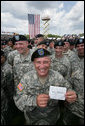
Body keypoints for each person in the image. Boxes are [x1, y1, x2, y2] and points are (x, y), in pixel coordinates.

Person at [14, 48, 77, 125]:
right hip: (32, 120)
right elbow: (18, 99)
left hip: (52, 119)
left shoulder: (58, 77)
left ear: (50, 62)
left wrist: (72, 96)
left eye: (45, 62)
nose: (42, 66)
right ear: (33, 63)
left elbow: (69, 90)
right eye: (38, 62)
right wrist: (35, 100)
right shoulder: (25, 78)